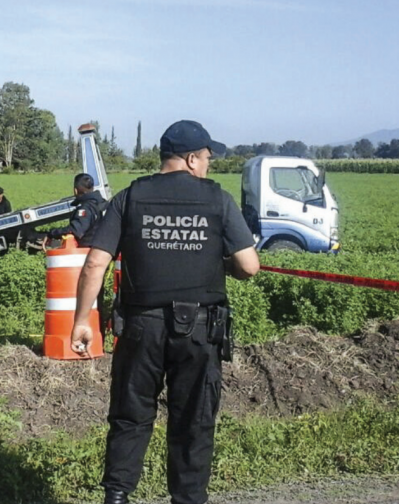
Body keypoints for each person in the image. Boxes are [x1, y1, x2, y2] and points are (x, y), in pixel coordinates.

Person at [70, 120, 260, 504]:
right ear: (191, 159)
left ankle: (118, 495)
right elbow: (249, 266)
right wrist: (218, 263)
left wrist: (80, 322)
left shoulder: (130, 197)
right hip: (200, 332)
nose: (208, 165)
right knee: (193, 421)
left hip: (141, 328)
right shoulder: (217, 200)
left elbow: (94, 264)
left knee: (130, 415)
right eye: (207, 157)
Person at [46, 173, 108, 247]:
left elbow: (75, 230)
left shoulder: (85, 208)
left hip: (88, 252)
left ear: (75, 190)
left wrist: (52, 233)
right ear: (92, 188)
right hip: (104, 249)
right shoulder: (101, 204)